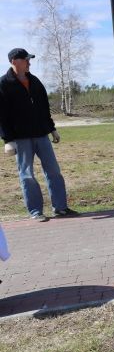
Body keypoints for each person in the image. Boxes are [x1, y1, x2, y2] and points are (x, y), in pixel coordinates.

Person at [0, 48, 78, 222]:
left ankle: (60, 208)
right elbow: (2, 115)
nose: (29, 62)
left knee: (54, 171)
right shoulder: (3, 84)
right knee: (27, 175)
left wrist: (52, 128)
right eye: (26, 59)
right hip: (20, 139)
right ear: (14, 61)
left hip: (41, 135)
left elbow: (44, 107)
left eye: (29, 59)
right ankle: (35, 211)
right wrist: (8, 140)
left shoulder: (34, 81)